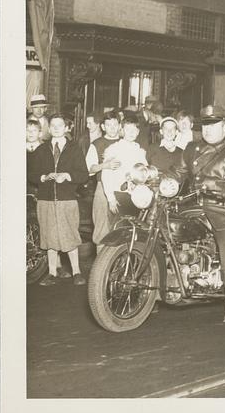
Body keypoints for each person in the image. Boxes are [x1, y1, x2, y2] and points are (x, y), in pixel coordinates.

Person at [175, 104, 225, 324]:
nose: (208, 130)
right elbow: (178, 173)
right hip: (194, 205)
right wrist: (160, 179)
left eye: (214, 125)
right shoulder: (191, 148)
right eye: (205, 125)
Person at [27, 113, 90, 285]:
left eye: (59, 125)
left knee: (69, 234)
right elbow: (31, 173)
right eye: (52, 125)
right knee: (49, 236)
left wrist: (67, 176)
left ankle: (76, 272)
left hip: (66, 199)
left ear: (67, 128)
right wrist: (42, 177)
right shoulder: (41, 149)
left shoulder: (74, 148)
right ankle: (52, 273)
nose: (55, 128)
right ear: (48, 128)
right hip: (45, 199)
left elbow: (83, 175)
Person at [96, 113, 148, 243]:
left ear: (138, 132)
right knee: (116, 234)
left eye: (134, 129)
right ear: (122, 130)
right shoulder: (114, 149)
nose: (131, 132)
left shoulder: (140, 152)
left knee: (134, 233)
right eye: (128, 129)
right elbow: (106, 175)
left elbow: (143, 174)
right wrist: (111, 198)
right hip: (118, 196)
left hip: (135, 198)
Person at [85, 111, 122, 247]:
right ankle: (100, 266)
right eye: (108, 125)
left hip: (124, 187)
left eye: (115, 124)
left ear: (119, 126)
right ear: (103, 127)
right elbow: (89, 169)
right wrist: (105, 165)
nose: (112, 128)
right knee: (101, 226)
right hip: (102, 187)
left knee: (121, 226)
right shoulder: (97, 144)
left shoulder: (126, 142)